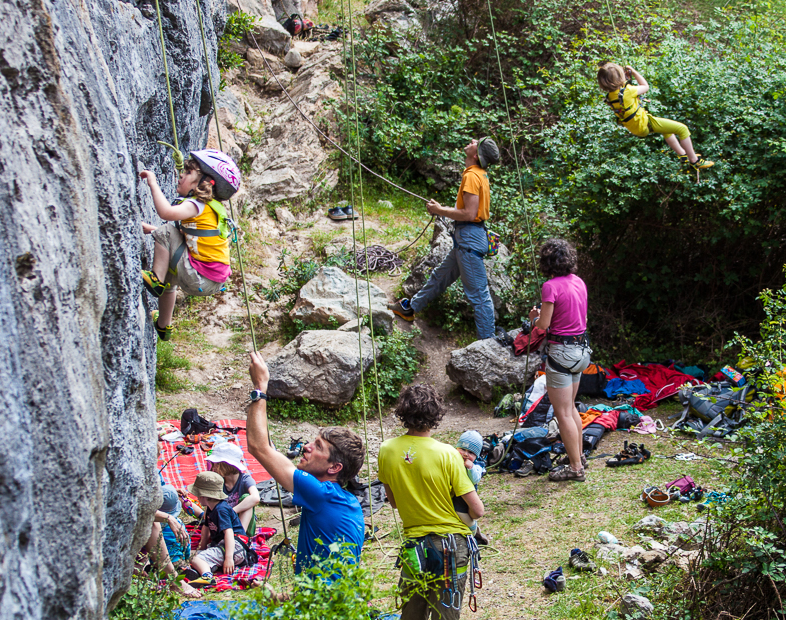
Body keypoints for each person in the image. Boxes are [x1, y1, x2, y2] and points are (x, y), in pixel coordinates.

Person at [378, 385, 485, 620]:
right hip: (451, 549)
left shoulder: (386, 450)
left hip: (414, 548)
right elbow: (476, 509)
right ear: (435, 417)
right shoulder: (448, 455)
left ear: (402, 414)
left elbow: (394, 502)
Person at [245, 352, 367, 578]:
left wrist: (260, 386)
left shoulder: (319, 493)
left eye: (318, 446)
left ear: (334, 468)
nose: (306, 447)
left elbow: (258, 447)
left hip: (321, 608)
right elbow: (268, 450)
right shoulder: (347, 500)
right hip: (339, 605)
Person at [388, 138, 503, 340]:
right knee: (440, 277)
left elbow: (468, 213)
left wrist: (440, 210)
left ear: (476, 155)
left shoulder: (472, 177)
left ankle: (488, 345)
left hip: (469, 239)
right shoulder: (478, 175)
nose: (472, 140)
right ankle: (411, 307)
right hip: (467, 239)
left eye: (477, 142)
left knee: (479, 296)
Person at [139, 149, 242, 340]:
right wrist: (153, 231)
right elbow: (188, 238)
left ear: (202, 183)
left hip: (200, 275)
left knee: (167, 230)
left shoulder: (196, 205)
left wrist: (152, 182)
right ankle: (163, 326)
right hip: (210, 279)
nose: (181, 175)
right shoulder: (211, 209)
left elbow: (166, 214)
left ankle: (155, 279)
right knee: (171, 272)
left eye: (188, 173)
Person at [527, 239, 591, 483]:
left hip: (562, 353)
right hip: (582, 352)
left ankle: (575, 468)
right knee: (570, 407)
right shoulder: (579, 282)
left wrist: (533, 318)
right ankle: (579, 456)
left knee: (562, 411)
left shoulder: (550, 286)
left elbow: (544, 325)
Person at [596, 62, 713, 175]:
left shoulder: (610, 96)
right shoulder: (628, 91)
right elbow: (645, 86)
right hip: (644, 123)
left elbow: (623, 93)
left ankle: (683, 154)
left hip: (635, 128)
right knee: (683, 129)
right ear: (619, 78)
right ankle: (694, 161)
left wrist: (624, 80)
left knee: (667, 130)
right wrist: (635, 73)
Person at [182, 471, 252, 587]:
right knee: (190, 555)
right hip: (222, 546)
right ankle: (206, 567)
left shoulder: (221, 510)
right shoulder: (210, 508)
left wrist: (229, 558)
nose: (198, 498)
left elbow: (229, 533)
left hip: (235, 547)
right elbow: (206, 526)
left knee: (193, 558)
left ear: (203, 496)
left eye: (198, 495)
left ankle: (207, 575)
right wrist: (202, 547)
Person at [141, 482, 201, 598]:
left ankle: (166, 573)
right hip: (178, 556)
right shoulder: (179, 524)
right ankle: (183, 573)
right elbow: (186, 543)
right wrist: (186, 556)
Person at [206, 441, 261, 534]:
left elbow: (255, 498)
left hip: (242, 524)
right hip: (224, 524)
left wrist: (231, 512)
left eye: (215, 464)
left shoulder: (245, 479)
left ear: (224, 465)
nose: (213, 468)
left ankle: (239, 537)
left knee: (247, 498)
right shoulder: (219, 482)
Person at [452, 430, 490, 546]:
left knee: (465, 516)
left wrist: (471, 467)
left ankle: (474, 534)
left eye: (471, 453)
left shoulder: (478, 465)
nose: (465, 454)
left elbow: (475, 479)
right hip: (454, 494)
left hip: (465, 497)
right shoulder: (453, 459)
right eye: (462, 449)